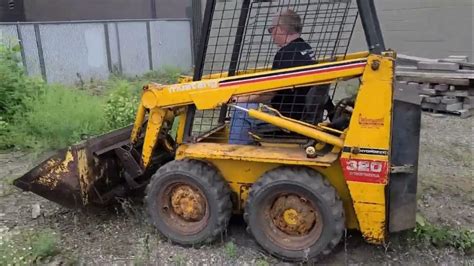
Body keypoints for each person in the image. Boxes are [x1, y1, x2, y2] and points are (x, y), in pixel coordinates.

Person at [229, 9, 328, 144]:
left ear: (280, 29)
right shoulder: (305, 48)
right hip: (303, 110)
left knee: (242, 109)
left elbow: (270, 92)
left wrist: (237, 99)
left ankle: (236, 152)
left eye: (271, 29)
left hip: (288, 117)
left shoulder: (285, 55)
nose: (271, 34)